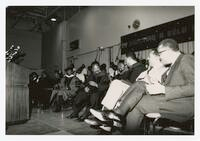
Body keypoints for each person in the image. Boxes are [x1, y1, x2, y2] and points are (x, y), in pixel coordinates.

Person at [91, 38, 194, 134]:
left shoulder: (186, 59)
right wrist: (158, 86)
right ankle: (118, 115)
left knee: (137, 99)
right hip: (171, 99)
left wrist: (163, 89)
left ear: (167, 51)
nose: (160, 58)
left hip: (183, 104)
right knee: (139, 91)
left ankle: (118, 115)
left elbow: (195, 87)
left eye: (160, 54)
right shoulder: (174, 64)